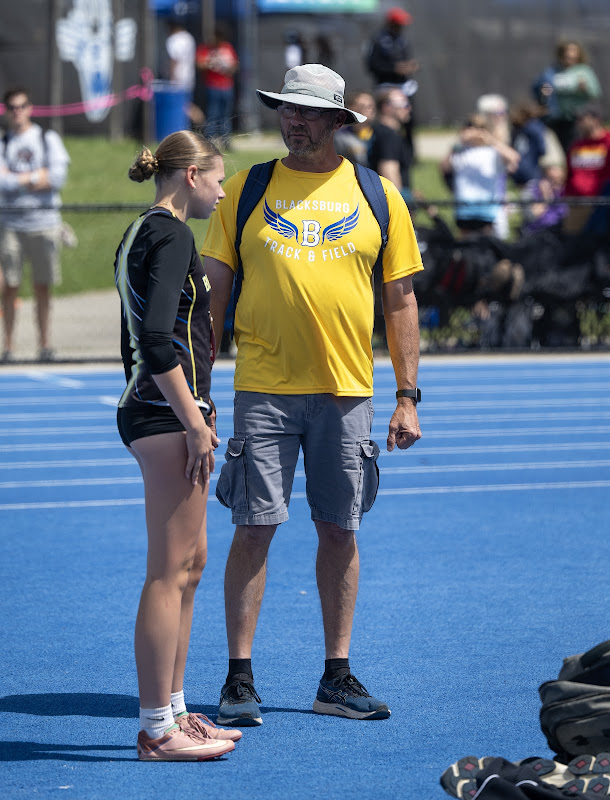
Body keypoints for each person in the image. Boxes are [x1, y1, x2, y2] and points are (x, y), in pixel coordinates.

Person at [201, 63, 423, 726]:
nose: (293, 120)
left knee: (339, 529)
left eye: (307, 111)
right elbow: (211, 299)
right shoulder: (245, 190)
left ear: (334, 121)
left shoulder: (376, 194)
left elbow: (400, 300)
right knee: (255, 525)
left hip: (347, 390)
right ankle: (238, 678)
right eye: (284, 108)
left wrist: (407, 394)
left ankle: (336, 675)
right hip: (262, 388)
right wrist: (200, 389)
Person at [114, 130, 241, 761]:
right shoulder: (171, 234)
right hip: (165, 416)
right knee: (168, 574)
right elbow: (158, 340)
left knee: (189, 570)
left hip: (166, 412)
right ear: (191, 175)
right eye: (218, 178)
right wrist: (194, 420)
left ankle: (177, 711)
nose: (223, 190)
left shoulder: (145, 230)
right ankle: (155, 728)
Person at [0, 87, 70, 362]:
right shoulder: (4, 143)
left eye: (22, 106)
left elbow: (57, 177)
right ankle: (8, 347)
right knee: (10, 287)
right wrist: (33, 177)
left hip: (44, 222)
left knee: (43, 286)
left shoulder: (46, 138)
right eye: (13, 107)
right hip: (11, 224)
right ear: (7, 111)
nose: (18, 111)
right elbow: (1, 182)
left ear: (30, 108)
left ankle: (44, 345)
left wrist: (16, 179)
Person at [441, 113, 520, 239]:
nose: (475, 132)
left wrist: (490, 139)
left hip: (487, 210)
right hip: (464, 209)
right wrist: (458, 142)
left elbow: (514, 158)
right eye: (471, 127)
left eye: (480, 127)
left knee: (488, 246)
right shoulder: (461, 152)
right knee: (465, 246)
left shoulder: (493, 153)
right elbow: (444, 167)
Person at [563, 104, 610, 235]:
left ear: (596, 120)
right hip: (577, 203)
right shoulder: (577, 145)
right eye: (577, 120)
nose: (579, 123)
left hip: (599, 202)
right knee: (573, 239)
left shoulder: (608, 141)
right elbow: (569, 173)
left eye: (582, 119)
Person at [532, 39, 602, 156]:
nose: (569, 56)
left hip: (577, 118)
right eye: (567, 53)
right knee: (558, 152)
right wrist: (544, 92)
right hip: (555, 117)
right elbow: (541, 88)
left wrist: (584, 89)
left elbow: (595, 93)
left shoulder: (584, 71)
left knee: (575, 151)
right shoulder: (551, 72)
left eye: (573, 53)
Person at [366, 7, 419, 152]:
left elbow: (406, 59)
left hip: (404, 86)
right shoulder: (378, 40)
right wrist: (394, 69)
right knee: (385, 121)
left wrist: (410, 66)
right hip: (386, 86)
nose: (401, 27)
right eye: (398, 24)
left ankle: (409, 152)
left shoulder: (402, 40)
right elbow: (372, 65)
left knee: (408, 120)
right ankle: (381, 149)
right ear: (390, 23)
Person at [368, 87, 414, 202]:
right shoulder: (388, 135)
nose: (408, 108)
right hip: (390, 204)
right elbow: (389, 171)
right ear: (386, 107)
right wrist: (402, 202)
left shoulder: (382, 132)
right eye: (404, 104)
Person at [196, 25, 239, 140]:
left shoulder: (227, 47)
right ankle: (210, 138)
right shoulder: (206, 48)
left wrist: (228, 67)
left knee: (225, 114)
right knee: (212, 113)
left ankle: (225, 138)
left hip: (226, 86)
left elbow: (235, 66)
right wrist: (211, 62)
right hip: (212, 85)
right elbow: (200, 64)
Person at [509, 100, 547, 187]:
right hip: (531, 172)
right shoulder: (536, 127)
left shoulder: (515, 129)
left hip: (515, 172)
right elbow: (543, 150)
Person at [333, 91, 376, 168]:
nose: (367, 110)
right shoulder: (340, 136)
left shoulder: (381, 134)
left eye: (370, 106)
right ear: (350, 108)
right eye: (362, 106)